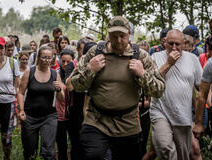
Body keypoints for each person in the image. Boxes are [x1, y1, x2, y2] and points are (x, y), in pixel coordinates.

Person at [70, 16, 165, 160]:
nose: (119, 40)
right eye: (114, 36)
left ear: (129, 35)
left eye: (122, 36)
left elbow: (159, 90)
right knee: (93, 155)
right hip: (97, 120)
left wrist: (142, 74)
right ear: (108, 35)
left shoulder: (140, 56)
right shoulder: (96, 52)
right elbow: (75, 85)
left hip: (128, 123)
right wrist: (91, 70)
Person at [150, 29, 202, 160]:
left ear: (184, 44)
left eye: (177, 44)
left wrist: (200, 115)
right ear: (164, 42)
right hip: (160, 110)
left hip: (183, 115)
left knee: (183, 155)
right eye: (170, 43)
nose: (174, 47)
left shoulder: (192, 59)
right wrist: (168, 64)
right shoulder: (155, 57)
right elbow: (151, 82)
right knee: (164, 146)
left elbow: (202, 86)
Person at [17, 45, 64, 160]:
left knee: (48, 150)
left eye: (49, 57)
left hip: (49, 116)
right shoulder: (30, 71)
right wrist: (21, 110)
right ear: (38, 57)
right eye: (44, 57)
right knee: (30, 151)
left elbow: (61, 98)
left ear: (53, 58)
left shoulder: (54, 74)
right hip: (30, 117)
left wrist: (59, 89)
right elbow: (21, 92)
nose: (46, 60)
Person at [56, 48, 75, 160]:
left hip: (73, 114)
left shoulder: (76, 73)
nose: (65, 64)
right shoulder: (56, 74)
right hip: (60, 115)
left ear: (73, 60)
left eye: (68, 61)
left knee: (74, 143)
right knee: (61, 144)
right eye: (63, 61)